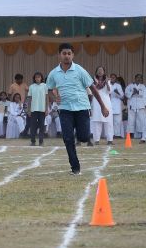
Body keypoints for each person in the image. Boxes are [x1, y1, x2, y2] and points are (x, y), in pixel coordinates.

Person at [46, 43, 110, 175]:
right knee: (68, 139)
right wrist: (54, 98)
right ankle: (75, 168)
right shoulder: (54, 73)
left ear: (73, 55)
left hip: (82, 108)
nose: (66, 56)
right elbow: (49, 90)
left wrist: (103, 106)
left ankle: (84, 134)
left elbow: (92, 88)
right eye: (64, 53)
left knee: (83, 137)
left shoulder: (80, 70)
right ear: (59, 55)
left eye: (69, 53)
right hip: (64, 110)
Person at [90, 66, 114, 146]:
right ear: (96, 72)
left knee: (108, 121)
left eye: (101, 70)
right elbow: (91, 91)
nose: (100, 72)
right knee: (96, 121)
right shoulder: (92, 80)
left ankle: (110, 140)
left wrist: (107, 83)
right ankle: (96, 140)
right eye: (98, 70)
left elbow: (110, 91)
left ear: (104, 72)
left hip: (106, 102)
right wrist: (97, 84)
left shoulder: (107, 80)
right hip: (96, 102)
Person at [125, 74, 146, 142]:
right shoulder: (130, 86)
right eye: (137, 78)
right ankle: (129, 135)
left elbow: (145, 95)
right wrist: (133, 92)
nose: (139, 79)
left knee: (141, 120)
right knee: (130, 120)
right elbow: (126, 94)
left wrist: (138, 92)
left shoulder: (143, 86)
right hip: (132, 105)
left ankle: (142, 135)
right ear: (135, 78)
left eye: (140, 78)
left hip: (141, 106)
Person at [27, 71, 48, 146]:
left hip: (42, 109)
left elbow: (46, 98)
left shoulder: (45, 86)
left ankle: (41, 141)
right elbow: (29, 99)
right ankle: (33, 141)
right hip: (33, 109)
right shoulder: (31, 86)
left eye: (39, 77)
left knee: (42, 126)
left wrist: (46, 109)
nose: (37, 78)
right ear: (34, 78)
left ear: (41, 78)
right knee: (33, 126)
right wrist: (28, 109)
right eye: (36, 77)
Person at [109, 73, 125, 139]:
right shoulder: (107, 85)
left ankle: (117, 134)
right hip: (109, 104)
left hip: (117, 104)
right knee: (110, 122)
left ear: (116, 79)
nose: (112, 78)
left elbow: (122, 97)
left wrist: (117, 92)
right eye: (111, 77)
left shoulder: (118, 86)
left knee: (117, 121)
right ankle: (110, 135)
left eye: (114, 77)